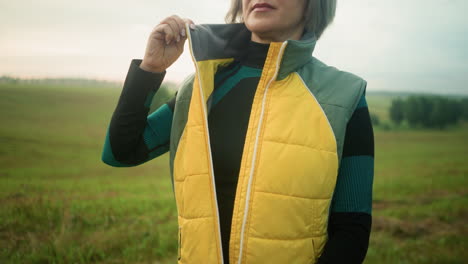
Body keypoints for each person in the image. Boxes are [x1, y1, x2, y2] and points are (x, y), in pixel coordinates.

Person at [101, 0, 374, 263]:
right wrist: (150, 68)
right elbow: (120, 152)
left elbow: (352, 230)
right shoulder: (202, 89)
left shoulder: (344, 96)